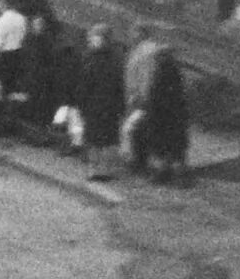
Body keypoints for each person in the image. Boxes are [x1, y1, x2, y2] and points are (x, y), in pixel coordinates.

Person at [75, 26, 130, 182]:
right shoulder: (89, 57)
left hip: (108, 105)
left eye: (96, 37)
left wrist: (120, 106)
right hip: (93, 104)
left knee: (107, 139)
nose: (92, 40)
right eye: (92, 37)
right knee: (93, 138)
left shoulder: (114, 59)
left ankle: (104, 169)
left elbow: (119, 85)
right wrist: (81, 101)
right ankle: (94, 168)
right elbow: (83, 83)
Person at [141, 45, 193, 185]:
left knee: (162, 148)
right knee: (176, 148)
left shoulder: (159, 73)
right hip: (176, 117)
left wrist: (150, 113)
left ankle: (164, 174)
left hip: (161, 117)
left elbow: (154, 97)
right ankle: (178, 176)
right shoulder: (177, 73)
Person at [0, 0, 32, 139]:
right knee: (12, 91)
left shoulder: (2, 20)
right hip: (17, 55)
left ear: (3, 4)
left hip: (4, 57)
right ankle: (11, 123)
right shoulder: (21, 18)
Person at [123, 29, 166, 174]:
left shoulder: (144, 53)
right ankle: (139, 159)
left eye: (135, 33)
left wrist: (137, 95)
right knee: (138, 129)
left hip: (142, 98)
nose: (131, 36)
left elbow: (144, 77)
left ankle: (138, 161)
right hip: (143, 97)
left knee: (134, 128)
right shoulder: (143, 51)